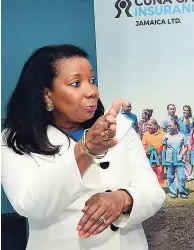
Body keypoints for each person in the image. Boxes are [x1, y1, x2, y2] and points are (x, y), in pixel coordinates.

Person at [1, 44, 166, 250]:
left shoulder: (120, 127)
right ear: (47, 95)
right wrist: (85, 150)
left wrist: (123, 199)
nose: (91, 91)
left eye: (92, 81)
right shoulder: (15, 139)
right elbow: (30, 205)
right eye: (76, 83)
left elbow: (153, 193)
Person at [162, 119, 188, 199]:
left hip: (179, 160)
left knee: (181, 177)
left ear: (176, 126)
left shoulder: (182, 136)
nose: (169, 127)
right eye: (168, 126)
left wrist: (181, 155)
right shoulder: (166, 136)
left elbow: (186, 147)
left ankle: (183, 193)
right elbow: (164, 146)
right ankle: (173, 193)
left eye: (170, 125)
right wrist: (164, 157)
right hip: (169, 160)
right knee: (170, 177)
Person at [142, 119, 166, 187]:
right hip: (150, 158)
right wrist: (146, 151)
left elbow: (165, 146)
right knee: (150, 174)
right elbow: (143, 146)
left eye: (150, 125)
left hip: (160, 158)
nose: (148, 127)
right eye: (147, 125)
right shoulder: (146, 135)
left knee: (160, 173)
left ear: (155, 125)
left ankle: (160, 188)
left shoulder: (163, 134)